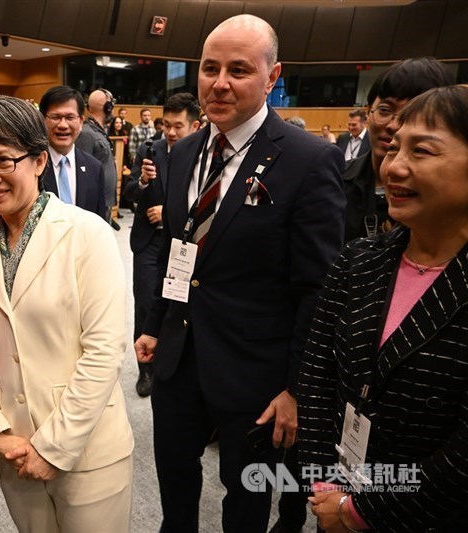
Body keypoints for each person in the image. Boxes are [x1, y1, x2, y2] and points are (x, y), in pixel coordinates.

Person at [134, 14, 346, 532]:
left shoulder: (309, 159)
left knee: (245, 500)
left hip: (257, 371)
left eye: (239, 70)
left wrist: (298, 388)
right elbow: (179, 248)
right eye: (209, 69)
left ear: (273, 76)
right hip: (179, 358)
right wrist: (156, 322)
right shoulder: (182, 152)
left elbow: (318, 289)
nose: (220, 83)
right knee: (175, 483)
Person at [0, 95, 134, 533]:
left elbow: (104, 352)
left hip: (88, 451)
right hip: (15, 451)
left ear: (38, 161)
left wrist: (53, 447)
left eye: (2, 160)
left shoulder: (86, 234)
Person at [298, 85, 468, 532]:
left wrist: (362, 513)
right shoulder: (360, 260)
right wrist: (324, 488)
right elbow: (317, 375)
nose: (394, 166)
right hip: (335, 499)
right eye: (393, 149)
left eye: (423, 151)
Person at [124, 92, 201, 398]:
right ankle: (145, 371)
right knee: (145, 303)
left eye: (177, 126)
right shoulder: (149, 149)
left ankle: (170, 362)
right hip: (148, 242)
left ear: (194, 126)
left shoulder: (203, 156)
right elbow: (128, 192)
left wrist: (167, 212)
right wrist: (142, 182)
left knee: (176, 303)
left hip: (182, 245)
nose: (169, 132)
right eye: (166, 125)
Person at [342, 57, 454, 243]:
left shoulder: (451, 199)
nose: (394, 125)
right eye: (385, 110)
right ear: (368, 113)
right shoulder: (334, 180)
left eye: (413, 113)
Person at [39, 86, 106, 219]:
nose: (63, 125)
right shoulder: (31, 166)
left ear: (80, 121)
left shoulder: (94, 168)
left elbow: (99, 221)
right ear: (42, 120)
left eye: (70, 117)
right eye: (55, 117)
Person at [76, 88, 118, 227]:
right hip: (95, 205)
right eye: (112, 104)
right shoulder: (87, 134)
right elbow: (83, 173)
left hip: (105, 202)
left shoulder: (98, 131)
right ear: (108, 107)